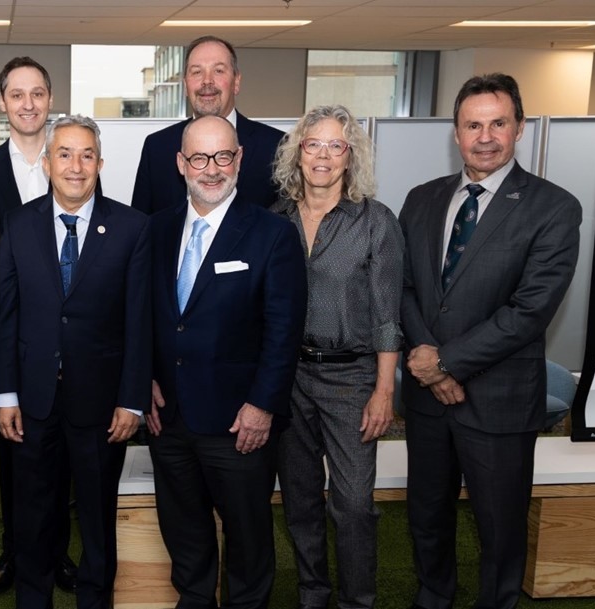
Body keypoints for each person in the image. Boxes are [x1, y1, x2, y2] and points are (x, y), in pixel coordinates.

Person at [400, 73, 581, 609]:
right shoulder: (422, 200)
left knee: (499, 532)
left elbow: (529, 311)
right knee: (426, 518)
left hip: (498, 403)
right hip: (428, 406)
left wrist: (446, 363)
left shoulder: (553, 207)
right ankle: (433, 599)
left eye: (498, 123)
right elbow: (405, 288)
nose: (485, 136)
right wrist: (429, 364)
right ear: (456, 133)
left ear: (519, 127)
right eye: (472, 125)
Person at [146, 115, 307, 609]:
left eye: (222, 156)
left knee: (248, 538)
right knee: (184, 531)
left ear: (238, 160)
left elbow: (284, 333)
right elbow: (144, 315)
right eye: (199, 157)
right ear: (181, 163)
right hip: (168, 417)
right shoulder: (157, 229)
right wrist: (143, 379)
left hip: (240, 423)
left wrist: (262, 405)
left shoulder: (273, 234)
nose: (211, 169)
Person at [0, 115, 151, 609]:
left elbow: (139, 322)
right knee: (33, 514)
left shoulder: (132, 228)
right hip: (33, 399)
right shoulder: (18, 225)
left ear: (100, 164)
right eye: (64, 154)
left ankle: (94, 601)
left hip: (102, 405)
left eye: (86, 155)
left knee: (98, 519)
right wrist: (5, 394)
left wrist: (132, 400)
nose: (75, 166)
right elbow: (7, 316)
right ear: (46, 162)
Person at [270, 105, 403, 609]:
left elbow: (390, 317)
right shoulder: (275, 219)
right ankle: (313, 595)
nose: (322, 156)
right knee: (300, 499)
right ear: (297, 153)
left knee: (351, 505)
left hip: (352, 379)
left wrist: (383, 392)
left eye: (335, 146)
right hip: (288, 378)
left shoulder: (376, 222)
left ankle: (356, 601)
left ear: (351, 157)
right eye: (313, 145)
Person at [0, 55, 78, 596]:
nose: (28, 104)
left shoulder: (71, 159)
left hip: (70, 337)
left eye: (37, 93)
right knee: (16, 456)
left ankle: (58, 550)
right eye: (17, 94)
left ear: (49, 98)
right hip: (10, 331)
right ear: (3, 102)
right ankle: (16, 552)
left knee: (61, 454)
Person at [131, 35, 283, 214]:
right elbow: (141, 227)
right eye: (197, 72)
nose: (207, 81)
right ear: (185, 85)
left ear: (236, 82)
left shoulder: (276, 147)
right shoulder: (157, 147)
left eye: (218, 71)